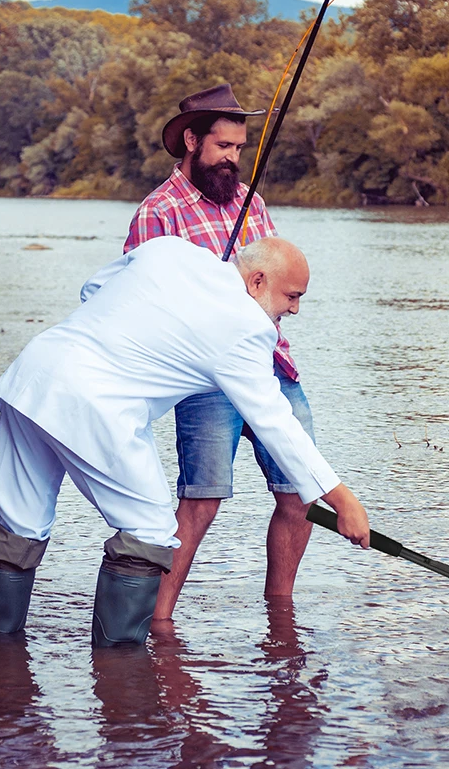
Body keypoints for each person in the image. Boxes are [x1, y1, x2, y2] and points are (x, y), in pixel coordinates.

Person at [0, 235, 369, 648]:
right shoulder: (246, 328)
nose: (294, 308)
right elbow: (276, 423)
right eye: (291, 296)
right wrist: (344, 501)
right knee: (152, 532)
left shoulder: (170, 250)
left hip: (35, 375)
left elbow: (92, 289)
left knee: (20, 525)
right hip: (95, 404)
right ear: (257, 281)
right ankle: (123, 681)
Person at [124, 82, 316, 621]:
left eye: (239, 148)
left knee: (300, 492)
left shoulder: (251, 202)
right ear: (191, 140)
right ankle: (157, 621)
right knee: (202, 502)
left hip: (272, 368)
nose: (234, 159)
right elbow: (143, 308)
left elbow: (275, 283)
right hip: (206, 380)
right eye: (223, 147)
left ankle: (282, 615)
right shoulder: (157, 214)